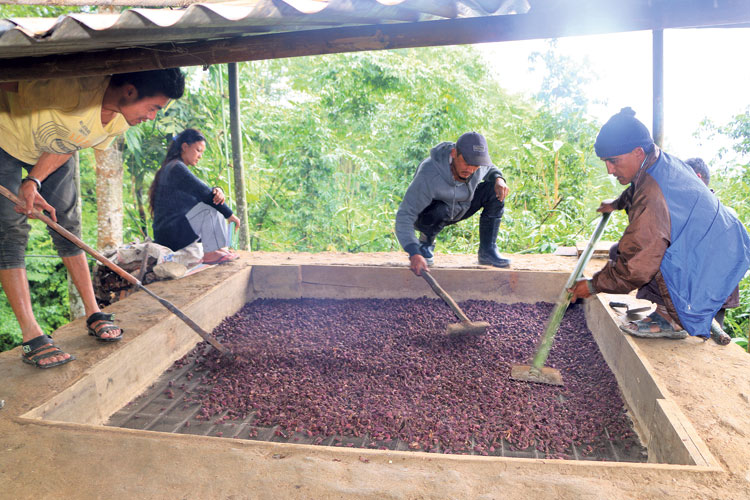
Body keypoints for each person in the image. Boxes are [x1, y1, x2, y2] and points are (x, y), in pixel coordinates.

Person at [0, 68, 186, 368]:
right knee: (9, 230)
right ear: (129, 91)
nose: (152, 117)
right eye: (153, 107)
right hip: (4, 139)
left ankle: (93, 310)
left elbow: (72, 142)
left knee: (65, 224)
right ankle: (31, 334)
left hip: (52, 150)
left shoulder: (119, 121)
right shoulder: (71, 89)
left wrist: (34, 180)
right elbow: (10, 80)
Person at [569, 107, 750, 340]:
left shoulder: (653, 195)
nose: (609, 170)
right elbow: (638, 189)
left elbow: (637, 264)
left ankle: (673, 319)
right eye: (605, 162)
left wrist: (593, 285)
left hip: (712, 259)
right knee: (635, 253)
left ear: (636, 152)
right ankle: (673, 313)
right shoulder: (656, 162)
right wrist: (616, 203)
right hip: (720, 243)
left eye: (613, 161)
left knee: (646, 257)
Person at [395, 131, 511, 276]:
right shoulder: (429, 173)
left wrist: (498, 178)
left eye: (475, 165)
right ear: (454, 153)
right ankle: (425, 242)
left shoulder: (477, 166)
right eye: (467, 162)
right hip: (430, 213)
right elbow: (404, 216)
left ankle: (488, 251)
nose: (470, 169)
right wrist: (413, 252)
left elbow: (490, 168)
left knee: (494, 190)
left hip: (461, 206)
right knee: (439, 209)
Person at [149, 128, 240, 266]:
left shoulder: (173, 167)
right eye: (198, 150)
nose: (200, 156)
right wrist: (230, 215)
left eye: (202, 152)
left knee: (212, 205)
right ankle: (209, 253)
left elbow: (201, 193)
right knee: (210, 209)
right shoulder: (176, 168)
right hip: (170, 235)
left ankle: (217, 249)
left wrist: (217, 190)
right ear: (185, 147)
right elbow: (203, 193)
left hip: (170, 232)